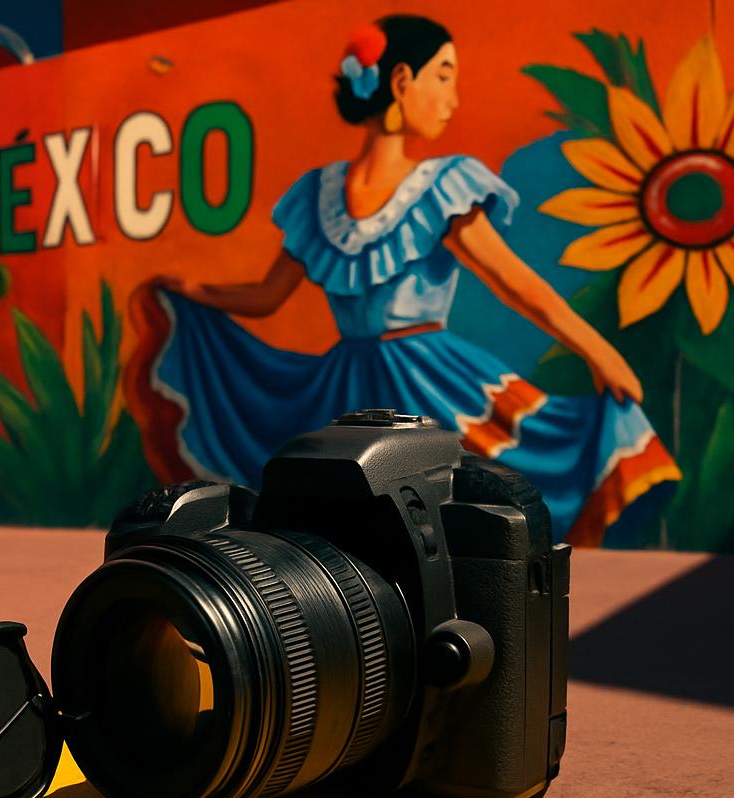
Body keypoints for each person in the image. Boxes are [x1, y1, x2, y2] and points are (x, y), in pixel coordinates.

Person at [125, 15, 681, 545]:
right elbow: (266, 298)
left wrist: (598, 352)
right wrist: (191, 293)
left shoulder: (444, 186)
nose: (453, 97)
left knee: (445, 511)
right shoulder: (317, 195)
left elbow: (516, 284)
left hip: (432, 381)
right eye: (443, 76)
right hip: (345, 388)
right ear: (400, 80)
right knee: (339, 518)